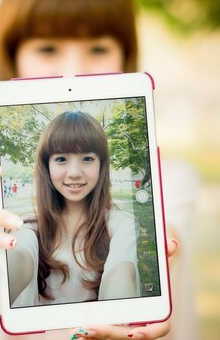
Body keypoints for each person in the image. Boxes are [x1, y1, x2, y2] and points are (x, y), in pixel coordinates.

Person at [0, 0, 200, 340]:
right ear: (13, 56)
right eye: (48, 48)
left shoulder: (169, 182)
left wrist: (156, 257)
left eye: (97, 47)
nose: (73, 69)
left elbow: (162, 232)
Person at [8, 111, 139, 307]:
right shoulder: (28, 226)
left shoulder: (121, 225)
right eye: (61, 159)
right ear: (47, 165)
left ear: (102, 164)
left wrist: (122, 312)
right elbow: (18, 258)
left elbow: (120, 272)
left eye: (87, 158)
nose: (75, 173)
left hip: (103, 336)